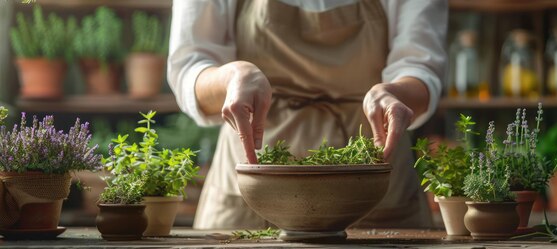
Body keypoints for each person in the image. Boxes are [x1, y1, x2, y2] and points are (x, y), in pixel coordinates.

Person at [168, 0, 447, 229]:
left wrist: (394, 93)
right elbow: (189, 64)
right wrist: (232, 77)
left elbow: (421, 66)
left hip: (373, 182)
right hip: (252, 188)